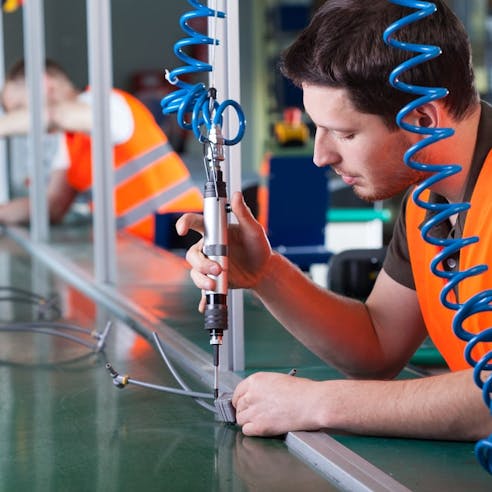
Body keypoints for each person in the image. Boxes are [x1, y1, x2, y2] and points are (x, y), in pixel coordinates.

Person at [176, 0, 492, 441]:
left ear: (423, 119)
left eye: (345, 133)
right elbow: (379, 345)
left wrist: (317, 402)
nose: (321, 156)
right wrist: (267, 273)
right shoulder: (429, 193)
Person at [0, 59, 203, 243]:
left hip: (182, 238)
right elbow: (52, 206)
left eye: (19, 107)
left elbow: (55, 116)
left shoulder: (107, 103)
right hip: (145, 253)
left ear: (44, 84)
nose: (19, 120)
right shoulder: (69, 140)